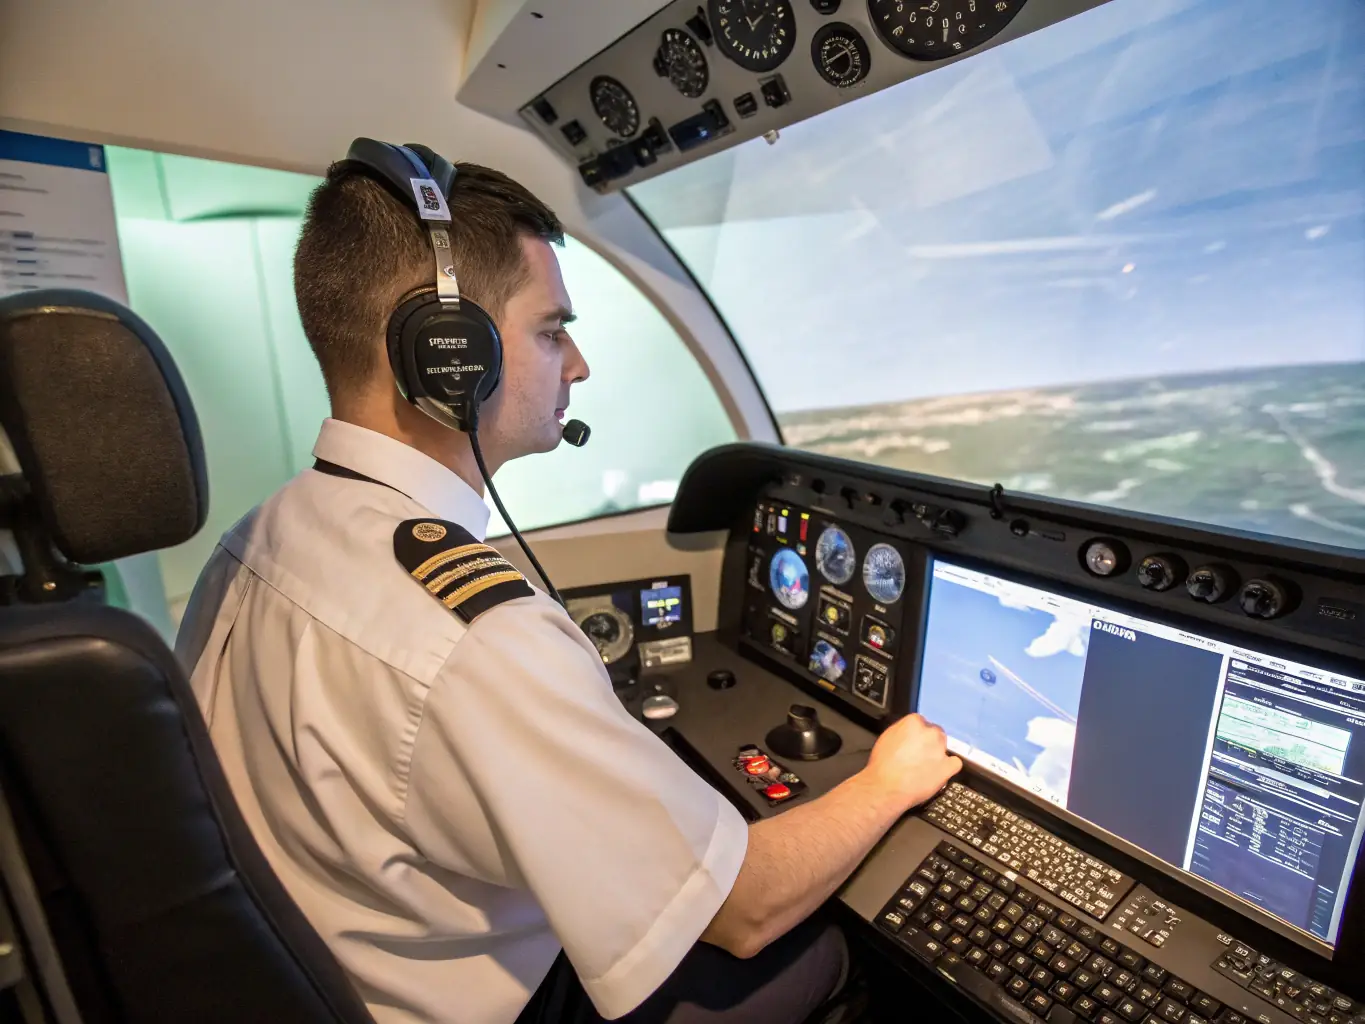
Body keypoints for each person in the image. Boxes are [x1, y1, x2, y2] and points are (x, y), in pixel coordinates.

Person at [174, 139, 962, 1024]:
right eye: (551, 330)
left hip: (328, 970)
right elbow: (742, 910)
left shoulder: (262, 533)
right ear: (446, 354)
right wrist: (888, 779)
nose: (577, 366)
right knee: (821, 952)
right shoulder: (477, 636)